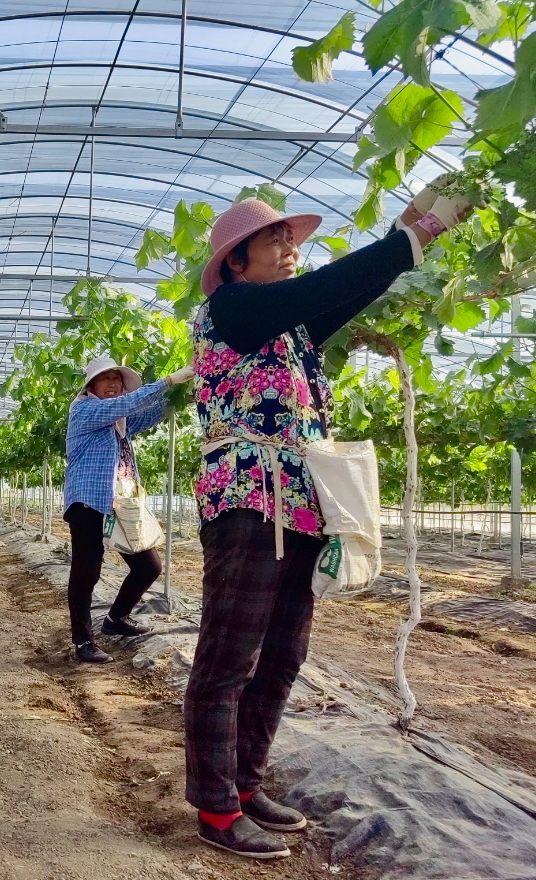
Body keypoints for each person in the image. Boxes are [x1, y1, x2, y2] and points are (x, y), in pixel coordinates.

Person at [184, 189, 472, 859]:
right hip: (248, 501)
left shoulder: (288, 328)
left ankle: (245, 783)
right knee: (228, 658)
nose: (291, 251)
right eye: (276, 242)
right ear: (235, 261)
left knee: (282, 654)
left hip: (302, 501)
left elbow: (350, 292)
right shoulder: (231, 310)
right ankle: (216, 808)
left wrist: (405, 242)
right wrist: (416, 232)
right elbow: (327, 285)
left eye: (293, 240)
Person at [62, 355, 196, 664]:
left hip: (121, 502)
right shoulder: (85, 410)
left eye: (117, 378)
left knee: (148, 566)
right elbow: (124, 406)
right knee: (87, 569)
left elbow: (150, 413)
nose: (112, 383)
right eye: (104, 378)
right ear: (91, 385)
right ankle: (83, 641)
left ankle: (114, 620)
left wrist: (188, 393)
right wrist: (169, 381)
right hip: (88, 500)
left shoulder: (119, 423)